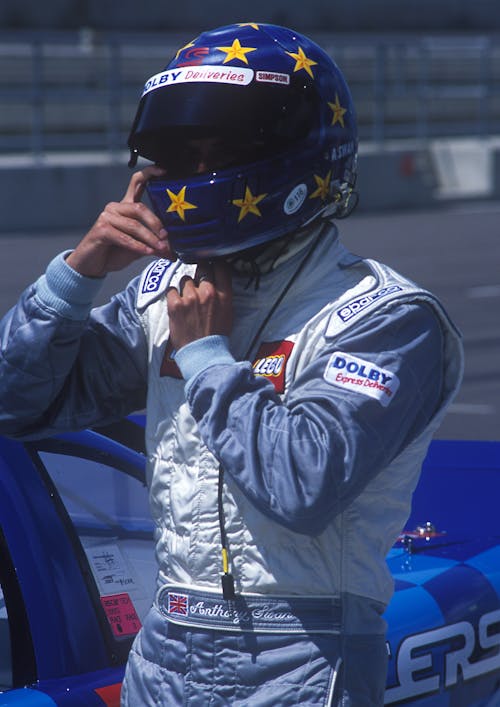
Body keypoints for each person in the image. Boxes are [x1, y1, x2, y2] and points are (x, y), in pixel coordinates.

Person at [0, 22, 463, 706]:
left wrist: (207, 358)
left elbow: (303, 486)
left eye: (220, 151)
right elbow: (17, 402)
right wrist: (76, 276)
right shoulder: (165, 290)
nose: (193, 173)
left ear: (293, 158)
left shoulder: (387, 316)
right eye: (184, 153)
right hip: (163, 643)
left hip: (305, 654)